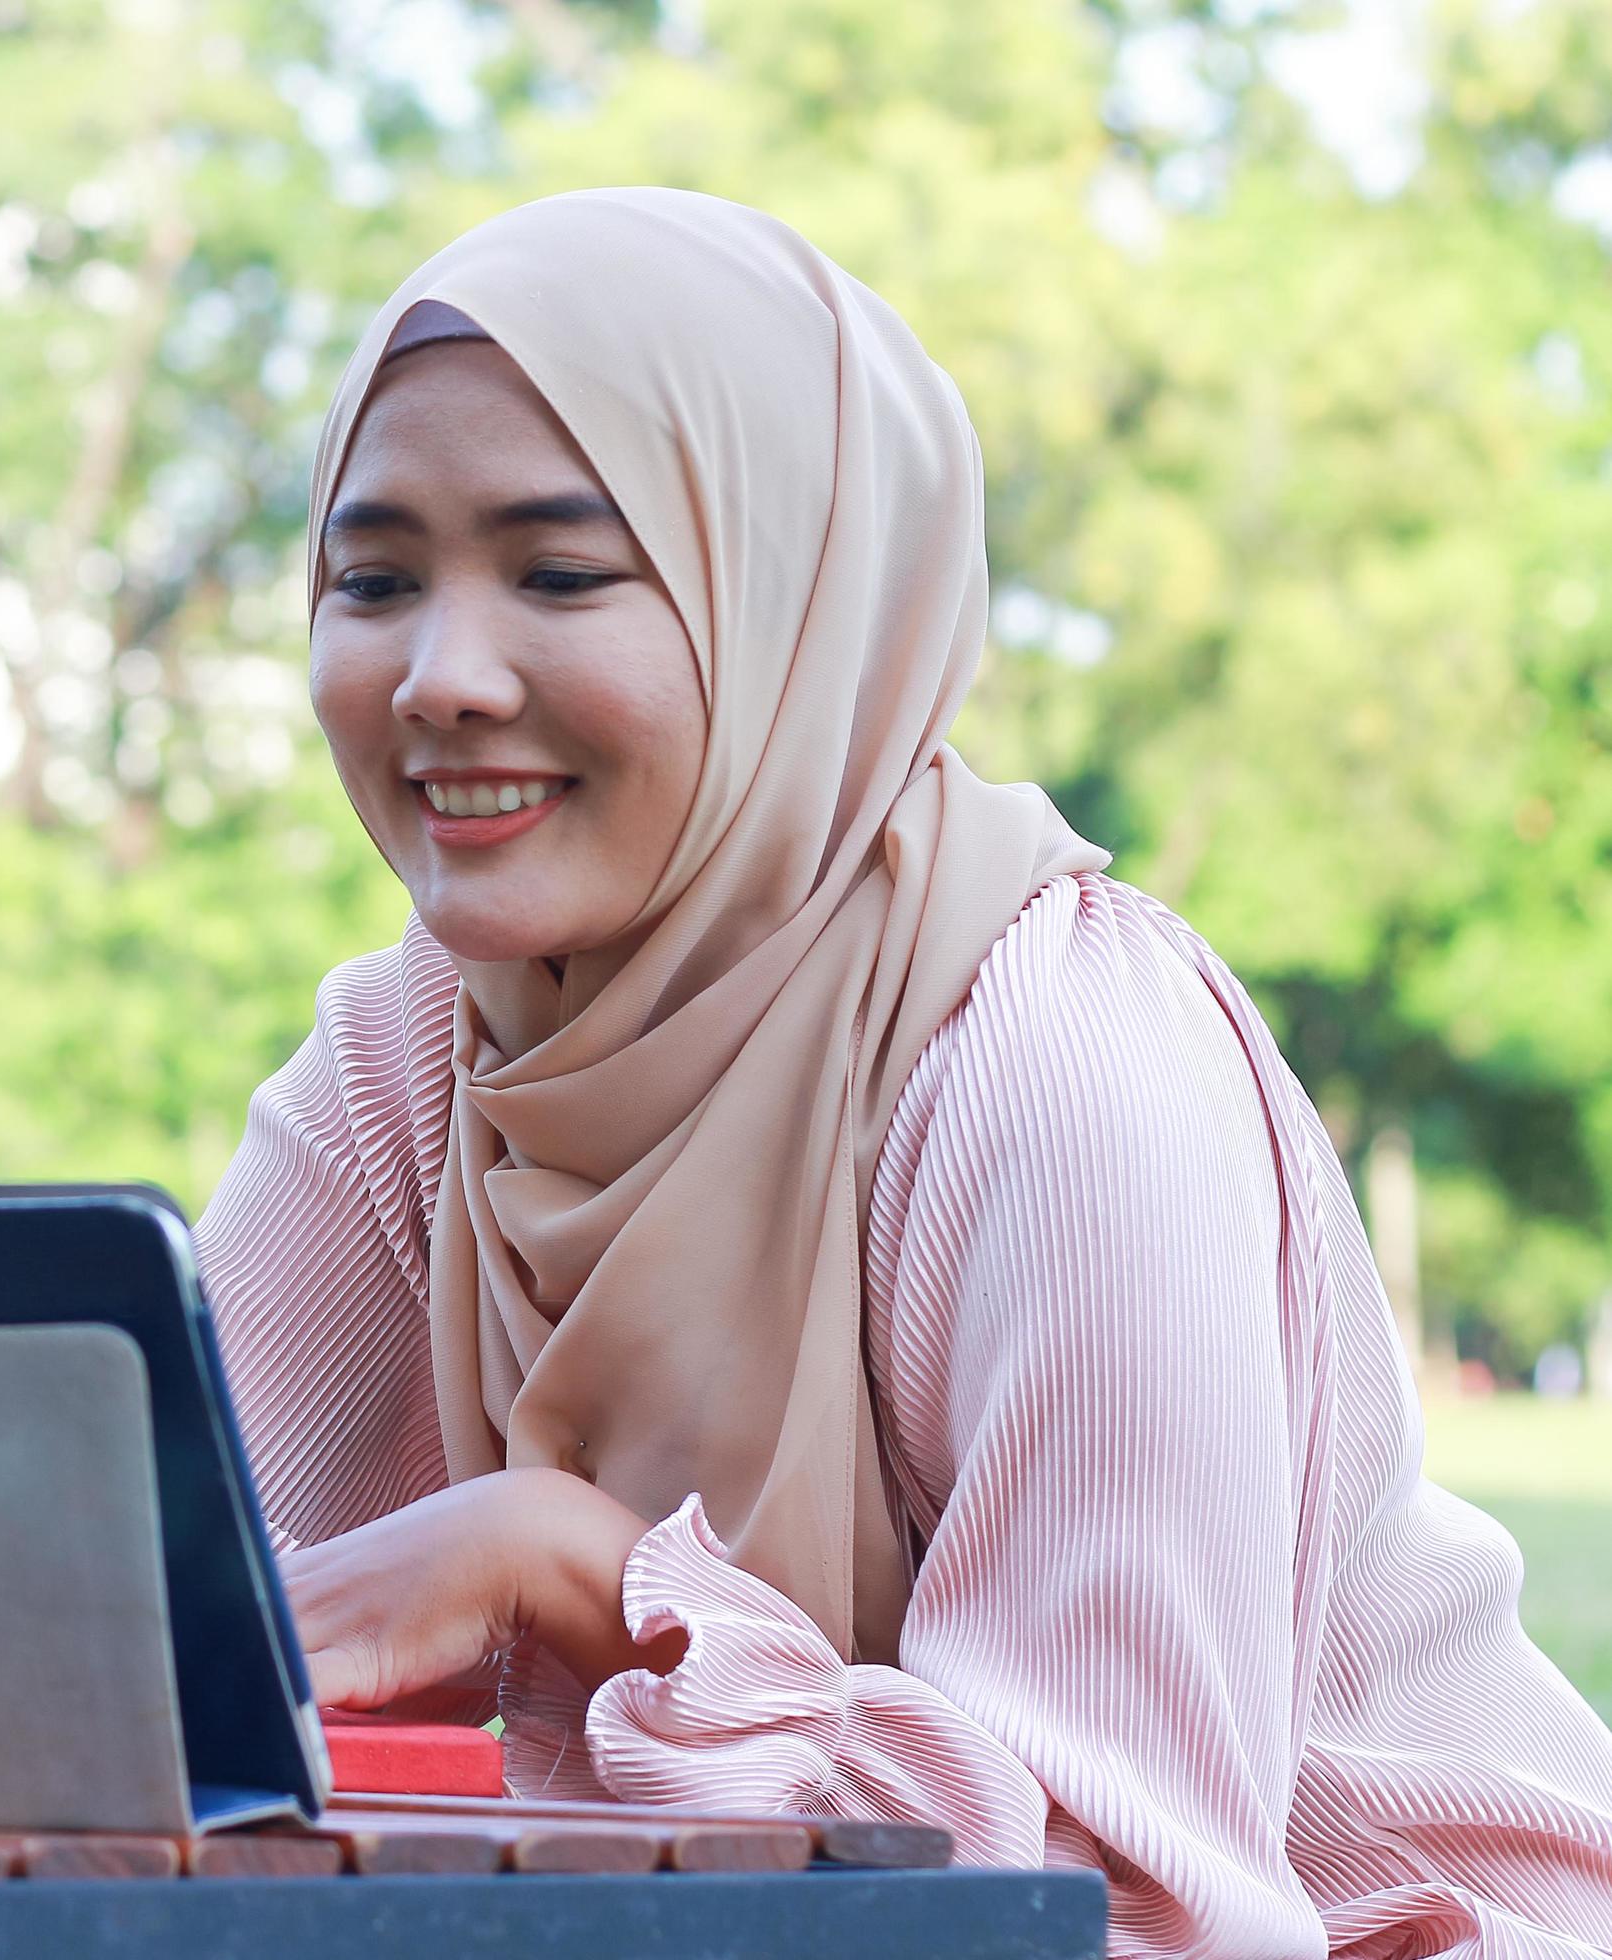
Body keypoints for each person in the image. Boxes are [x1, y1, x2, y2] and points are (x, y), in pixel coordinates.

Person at [197, 188, 1612, 1957]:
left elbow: (1122, 1906)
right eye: (372, 580)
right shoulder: (423, 1050)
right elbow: (142, 1598)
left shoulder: (1053, 1069)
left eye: (561, 572)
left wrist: (582, 1578)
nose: (439, 675)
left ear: (794, 597)